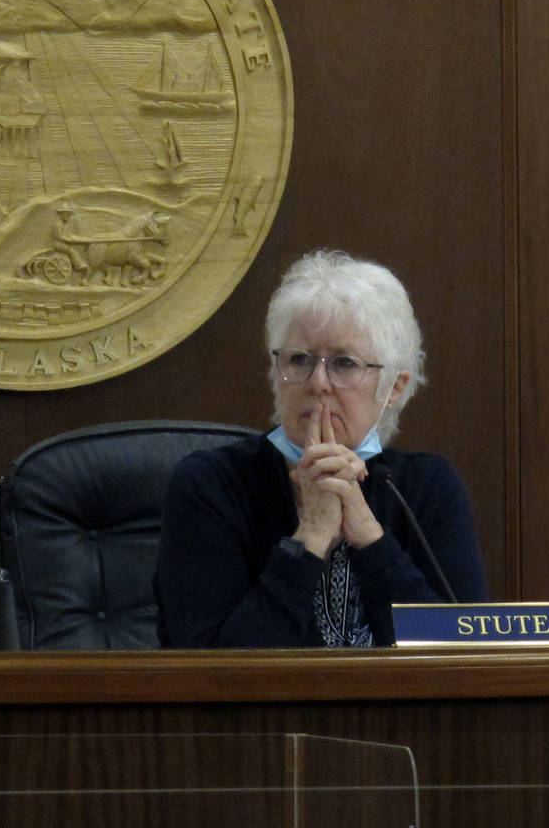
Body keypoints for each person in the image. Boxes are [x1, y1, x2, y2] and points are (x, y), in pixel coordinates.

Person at [155, 249, 486, 648]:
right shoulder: (211, 485)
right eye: (299, 360)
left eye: (344, 363)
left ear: (394, 388)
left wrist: (369, 539)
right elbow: (211, 668)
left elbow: (463, 653)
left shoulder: (426, 487)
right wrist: (309, 538)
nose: (318, 382)